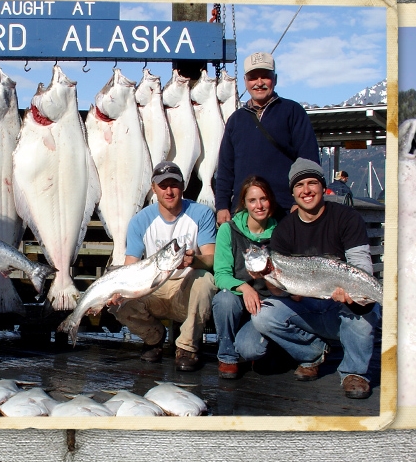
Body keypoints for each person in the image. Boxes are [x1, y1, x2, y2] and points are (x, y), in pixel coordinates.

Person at [251, 158, 381, 399]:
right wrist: (267, 277)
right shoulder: (285, 230)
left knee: (366, 312)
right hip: (308, 305)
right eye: (299, 185)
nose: (306, 190)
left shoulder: (347, 218)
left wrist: (352, 294)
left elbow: (361, 266)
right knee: (263, 316)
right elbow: (280, 291)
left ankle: (355, 373)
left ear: (323, 187)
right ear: (292, 192)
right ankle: (312, 353)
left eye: (312, 183)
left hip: (342, 304)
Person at [110, 161, 218, 371]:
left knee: (206, 280)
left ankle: (187, 346)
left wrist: (193, 261)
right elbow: (131, 264)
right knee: (118, 301)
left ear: (183, 186)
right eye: (163, 185)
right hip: (154, 288)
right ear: (154, 188)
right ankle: (153, 338)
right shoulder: (140, 221)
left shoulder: (202, 214)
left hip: (186, 287)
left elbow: (211, 258)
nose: (169, 191)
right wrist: (117, 291)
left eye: (174, 185)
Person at [216, 51, 320, 225]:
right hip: (244, 213)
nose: (259, 83)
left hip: (285, 211)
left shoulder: (293, 112)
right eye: (253, 77)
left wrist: (298, 203)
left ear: (275, 79)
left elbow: (309, 162)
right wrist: (222, 206)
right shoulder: (235, 120)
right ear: (245, 82)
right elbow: (225, 168)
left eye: (265, 76)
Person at [211, 175, 278, 379]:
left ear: (271, 201)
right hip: (238, 300)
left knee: (251, 350)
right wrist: (245, 287)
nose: (259, 205)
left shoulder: (282, 231)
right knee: (223, 299)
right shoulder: (228, 230)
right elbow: (221, 275)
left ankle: (265, 344)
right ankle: (227, 357)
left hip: (268, 303)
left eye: (263, 199)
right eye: (252, 200)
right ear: (244, 203)